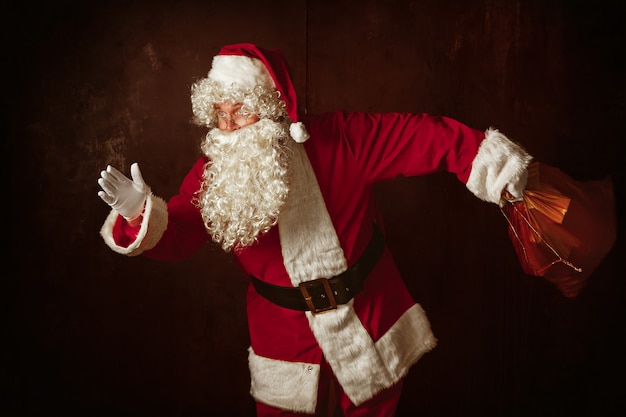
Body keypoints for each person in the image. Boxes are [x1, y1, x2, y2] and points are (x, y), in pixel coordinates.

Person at [97, 43, 532, 416]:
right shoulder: (210, 173)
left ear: (270, 110)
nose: (227, 127)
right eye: (219, 114)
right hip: (282, 333)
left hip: (369, 313)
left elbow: (424, 137)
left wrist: (493, 166)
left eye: (241, 111)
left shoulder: (340, 139)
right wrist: (140, 213)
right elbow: (180, 235)